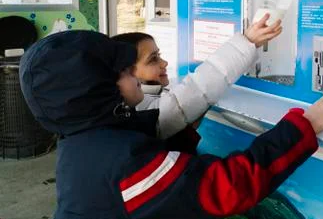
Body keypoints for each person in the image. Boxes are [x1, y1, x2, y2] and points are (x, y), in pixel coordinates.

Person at [20, 30, 323, 219]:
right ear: (97, 90)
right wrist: (305, 126)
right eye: (122, 71)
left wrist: (186, 129)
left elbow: (159, 132)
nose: (134, 76)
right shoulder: (123, 165)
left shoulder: (84, 142)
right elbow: (232, 186)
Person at [111, 14, 281, 154]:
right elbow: (197, 89)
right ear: (127, 73)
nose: (164, 63)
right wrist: (247, 42)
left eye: (159, 55)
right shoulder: (143, 111)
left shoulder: (139, 104)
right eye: (153, 59)